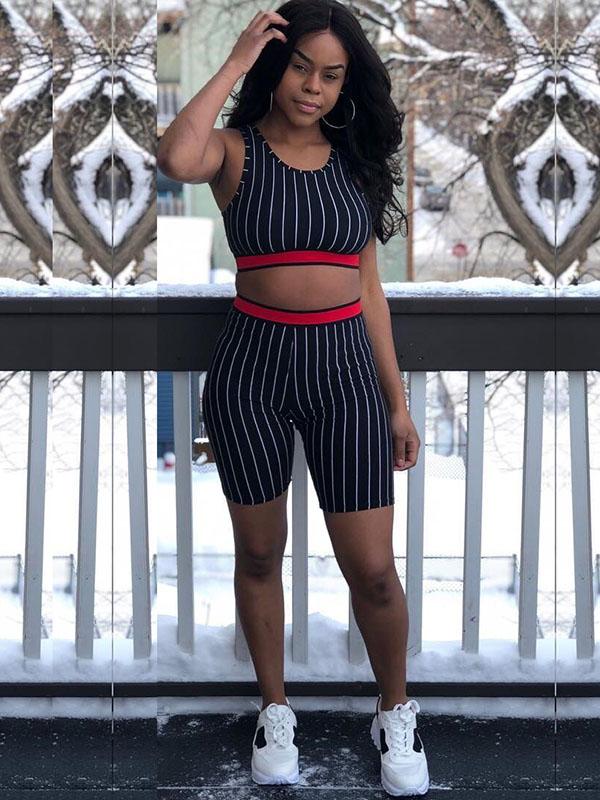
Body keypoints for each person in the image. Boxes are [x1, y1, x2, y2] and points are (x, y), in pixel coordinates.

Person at [157, 0, 428, 795]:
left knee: (373, 570)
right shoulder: (235, 150)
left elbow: (370, 291)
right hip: (252, 373)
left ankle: (396, 710)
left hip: (346, 375)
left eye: (331, 74)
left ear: (346, 85)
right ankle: (275, 710)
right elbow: (175, 157)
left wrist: (396, 403)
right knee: (258, 554)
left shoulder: (354, 162)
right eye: (301, 67)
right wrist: (238, 60)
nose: (313, 86)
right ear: (277, 70)